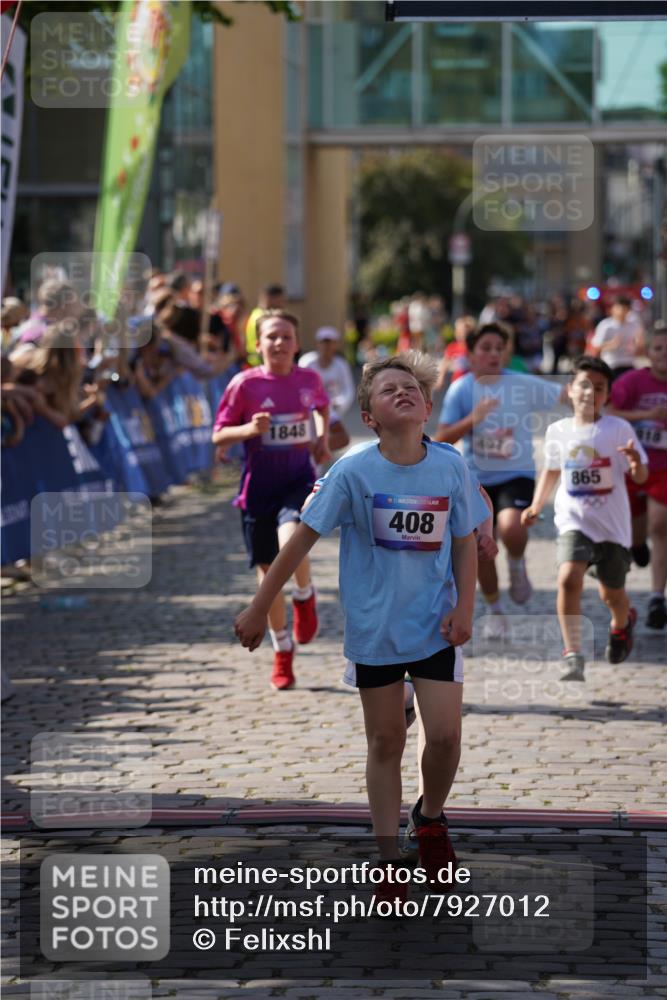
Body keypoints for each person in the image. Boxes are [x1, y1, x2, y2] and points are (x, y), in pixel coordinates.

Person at [235, 354, 478, 905]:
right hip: (375, 630)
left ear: (427, 406)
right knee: (387, 740)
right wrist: (259, 606)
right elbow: (298, 541)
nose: (404, 393)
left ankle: (431, 819)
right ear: (369, 416)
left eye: (412, 387)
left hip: (437, 626)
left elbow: (464, 540)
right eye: (389, 389)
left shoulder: (451, 466)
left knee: (444, 738)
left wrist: (465, 608)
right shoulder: (353, 471)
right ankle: (388, 859)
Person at [213, 310, 330, 690]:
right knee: (268, 580)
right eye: (271, 337)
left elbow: (321, 406)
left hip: (298, 481)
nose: (279, 343)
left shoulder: (308, 378)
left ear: (297, 344)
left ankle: (306, 595)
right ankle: (283, 650)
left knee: (291, 540)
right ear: (258, 344)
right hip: (258, 490)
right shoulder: (243, 384)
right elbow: (219, 436)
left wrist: (322, 436)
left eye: (286, 337)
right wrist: (250, 428)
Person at [435, 322, 567, 637]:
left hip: (515, 474)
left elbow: (566, 394)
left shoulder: (520, 383)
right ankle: (495, 610)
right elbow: (441, 438)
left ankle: (517, 565)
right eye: (486, 348)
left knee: (511, 527)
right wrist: (473, 419)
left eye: (499, 348)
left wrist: (595, 402)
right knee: (480, 549)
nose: (494, 354)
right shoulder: (462, 389)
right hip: (475, 480)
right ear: (471, 354)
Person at [521, 357, 648, 681]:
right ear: (570, 389)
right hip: (573, 520)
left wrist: (635, 463)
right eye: (583, 385)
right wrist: (536, 505)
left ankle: (622, 624)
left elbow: (641, 475)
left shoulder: (618, 428)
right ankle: (573, 652)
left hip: (613, 527)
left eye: (599, 387)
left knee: (612, 596)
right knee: (568, 577)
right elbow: (551, 471)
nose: (590, 392)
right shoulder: (558, 431)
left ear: (608, 394)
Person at [606, 323, 667, 629]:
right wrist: (646, 416)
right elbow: (609, 410)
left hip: (665, 468)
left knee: (661, 525)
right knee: (636, 531)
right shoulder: (633, 381)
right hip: (631, 466)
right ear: (648, 352)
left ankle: (657, 596)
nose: (664, 355)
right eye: (658, 349)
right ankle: (638, 545)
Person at [298, 326, 355, 453]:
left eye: (330, 343)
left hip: (331, 409)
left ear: (335, 345)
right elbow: (299, 388)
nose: (326, 347)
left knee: (335, 438)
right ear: (317, 344)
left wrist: (339, 404)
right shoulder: (307, 362)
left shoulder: (341, 365)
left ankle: (319, 454)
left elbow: (348, 390)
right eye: (323, 342)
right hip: (309, 410)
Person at [590, 295, 645, 380]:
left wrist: (638, 346)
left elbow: (640, 347)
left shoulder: (634, 326)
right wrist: (611, 344)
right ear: (613, 309)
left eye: (625, 309)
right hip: (612, 364)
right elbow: (595, 345)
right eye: (620, 308)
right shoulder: (606, 325)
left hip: (629, 363)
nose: (622, 312)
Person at [245, 284, 286, 368]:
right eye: (279, 300)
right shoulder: (264, 318)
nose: (282, 305)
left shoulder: (255, 313)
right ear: (268, 298)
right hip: (261, 362)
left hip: (257, 362)